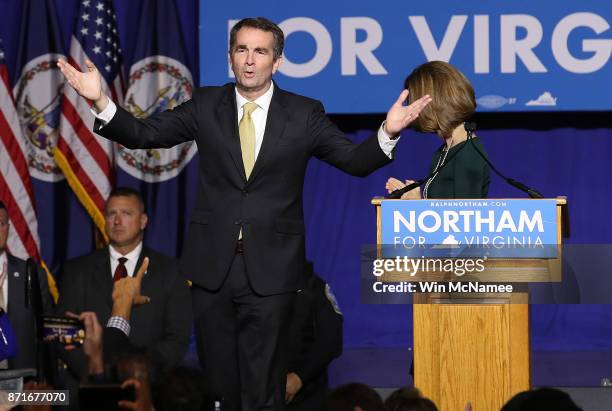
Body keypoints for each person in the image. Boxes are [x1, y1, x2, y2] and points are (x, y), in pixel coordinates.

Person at [57, 17, 431, 411]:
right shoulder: (205, 105)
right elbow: (145, 134)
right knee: (220, 388)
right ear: (230, 58)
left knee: (264, 387)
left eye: (261, 51)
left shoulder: (304, 113)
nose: (250, 60)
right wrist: (100, 99)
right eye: (242, 50)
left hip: (272, 270)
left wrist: (387, 131)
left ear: (278, 61)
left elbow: (354, 160)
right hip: (212, 269)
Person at [56, 187, 192, 378]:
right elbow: (64, 334)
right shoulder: (77, 270)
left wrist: (136, 371)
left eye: (126, 213)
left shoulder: (170, 271)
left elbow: (177, 339)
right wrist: (96, 372)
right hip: (89, 386)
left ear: (143, 221)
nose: (117, 221)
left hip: (149, 387)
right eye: (111, 214)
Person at [385, 61, 489, 200]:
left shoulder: (467, 154)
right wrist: (414, 199)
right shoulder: (444, 151)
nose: (411, 108)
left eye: (413, 102)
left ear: (431, 104)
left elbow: (465, 217)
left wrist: (417, 204)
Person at [0, 201, 53, 370]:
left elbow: (47, 329)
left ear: (8, 228)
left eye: (0, 224)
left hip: (25, 382)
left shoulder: (31, 273)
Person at [286, 262, 343, 410]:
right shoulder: (247, 287)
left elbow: (331, 340)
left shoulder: (312, 286)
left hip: (306, 394)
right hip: (257, 391)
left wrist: (299, 376)